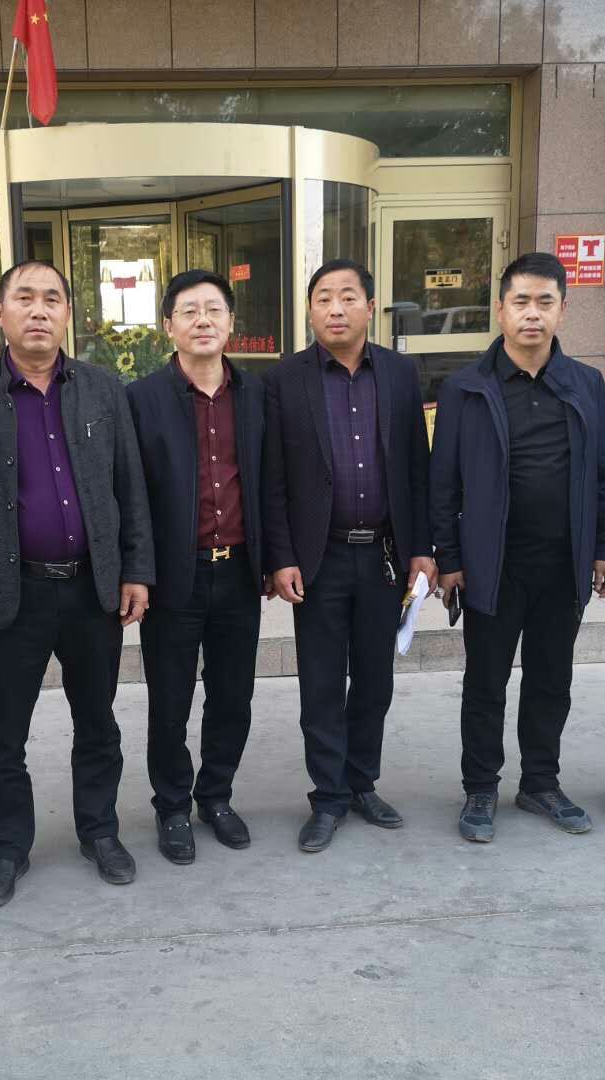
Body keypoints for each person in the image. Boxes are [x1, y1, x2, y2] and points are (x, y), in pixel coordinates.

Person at [0, 259, 155, 907]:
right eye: (24, 298)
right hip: (10, 597)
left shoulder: (103, 390)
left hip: (92, 592)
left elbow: (131, 490)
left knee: (98, 723)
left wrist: (137, 569)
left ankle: (100, 832)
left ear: (68, 315)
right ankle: (8, 848)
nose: (39, 310)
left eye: (52, 299)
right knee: (3, 733)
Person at [429, 252, 605, 843]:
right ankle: (480, 787)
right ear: (500, 310)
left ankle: (540, 782)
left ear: (563, 309)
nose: (532, 314)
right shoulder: (466, 388)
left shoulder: (586, 385)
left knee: (550, 680)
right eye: (521, 302)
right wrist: (450, 559)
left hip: (563, 563)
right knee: (485, 682)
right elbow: (443, 483)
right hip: (492, 566)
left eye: (544, 302)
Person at [263, 258, 438, 853]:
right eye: (322, 298)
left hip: (384, 556)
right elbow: (273, 478)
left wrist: (422, 549)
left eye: (347, 297)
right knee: (320, 683)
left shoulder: (400, 373)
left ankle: (362, 782)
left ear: (369, 305)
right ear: (310, 310)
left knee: (373, 680)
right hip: (319, 559)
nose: (335, 308)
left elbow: (417, 466)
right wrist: (281, 556)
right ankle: (328, 797)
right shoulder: (285, 380)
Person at [126, 269, 265, 864]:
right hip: (173, 577)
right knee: (171, 700)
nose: (203, 320)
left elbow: (271, 482)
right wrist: (137, 571)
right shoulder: (141, 399)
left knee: (233, 696)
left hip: (239, 572)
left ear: (231, 322)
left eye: (214, 309)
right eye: (189, 311)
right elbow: (130, 493)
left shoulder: (257, 394)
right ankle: (172, 806)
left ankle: (216, 796)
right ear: (168, 326)